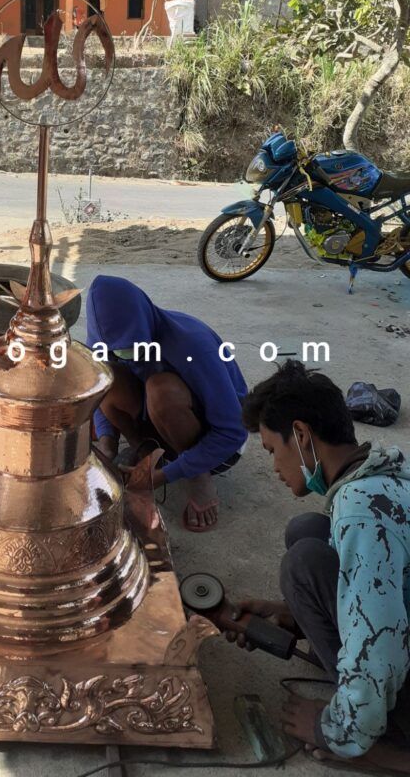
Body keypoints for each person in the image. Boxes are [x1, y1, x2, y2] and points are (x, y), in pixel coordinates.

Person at [234, 360, 410, 770]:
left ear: (300, 434)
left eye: (272, 451)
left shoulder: (361, 512)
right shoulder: (383, 476)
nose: (274, 467)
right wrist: (293, 613)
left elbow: (381, 645)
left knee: (303, 562)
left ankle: (389, 747)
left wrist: (336, 728)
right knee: (308, 531)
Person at [86, 276, 247, 531]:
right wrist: (107, 445)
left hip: (215, 442)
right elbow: (102, 392)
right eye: (117, 349)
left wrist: (163, 477)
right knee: (105, 376)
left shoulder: (192, 344)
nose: (125, 353)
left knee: (160, 389)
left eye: (133, 347)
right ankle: (145, 449)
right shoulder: (103, 342)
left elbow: (233, 430)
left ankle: (198, 476)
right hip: (158, 421)